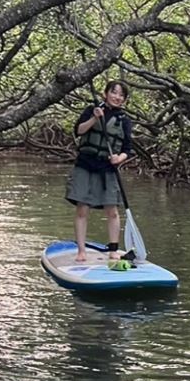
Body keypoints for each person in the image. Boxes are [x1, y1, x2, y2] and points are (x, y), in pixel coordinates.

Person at [65, 80, 132, 262]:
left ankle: (113, 250)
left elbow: (127, 148)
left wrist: (119, 158)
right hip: (85, 164)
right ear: (105, 93)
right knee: (82, 209)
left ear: (124, 100)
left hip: (107, 169)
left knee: (112, 211)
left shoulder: (124, 121)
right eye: (114, 92)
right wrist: (94, 118)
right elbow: (79, 131)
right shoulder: (91, 110)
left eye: (121, 95)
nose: (117, 97)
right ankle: (81, 251)